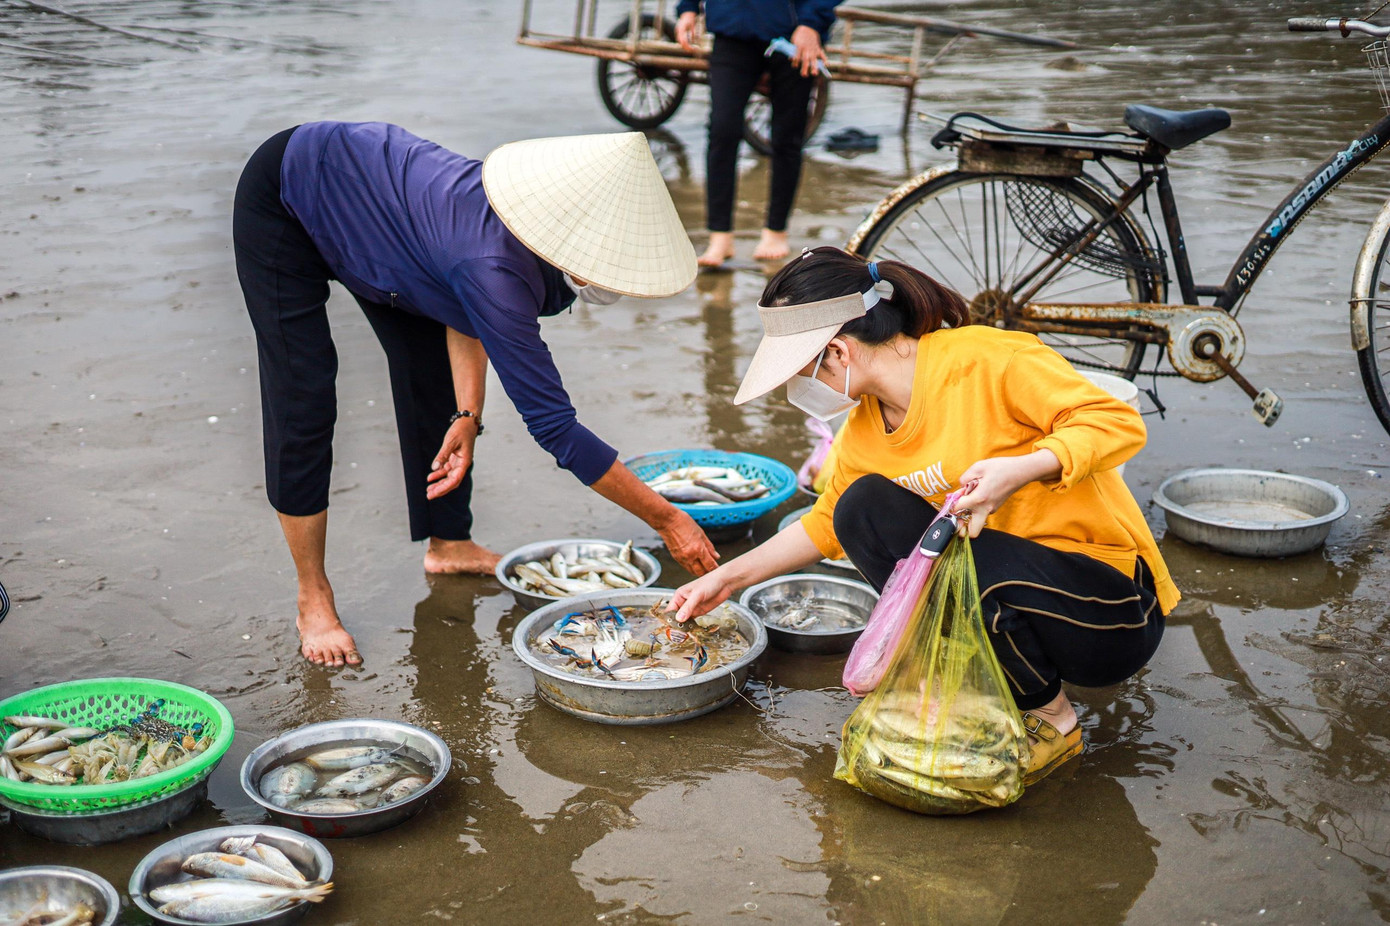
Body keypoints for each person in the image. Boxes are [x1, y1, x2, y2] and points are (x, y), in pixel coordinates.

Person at [669, 247, 1179, 784]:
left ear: (838, 352)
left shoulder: (987, 360)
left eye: (800, 372)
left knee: (964, 570)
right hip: (1005, 598)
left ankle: (1053, 718)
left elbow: (1115, 421)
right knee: (861, 507)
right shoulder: (864, 429)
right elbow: (825, 525)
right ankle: (990, 683)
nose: (798, 389)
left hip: (1110, 613)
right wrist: (724, 579)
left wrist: (1023, 469)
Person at [232, 122, 719, 668]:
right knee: (304, 399)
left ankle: (448, 544)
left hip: (381, 225)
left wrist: (469, 413)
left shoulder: (517, 232)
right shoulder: (494, 263)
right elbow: (555, 428)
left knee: (430, 378)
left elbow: (462, 305)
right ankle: (312, 594)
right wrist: (668, 520)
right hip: (287, 195)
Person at [675, 0, 841, 267]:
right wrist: (688, 8)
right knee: (722, 129)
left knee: (787, 137)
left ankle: (776, 232)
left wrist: (811, 24)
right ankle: (720, 237)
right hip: (731, 32)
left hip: (794, 36)